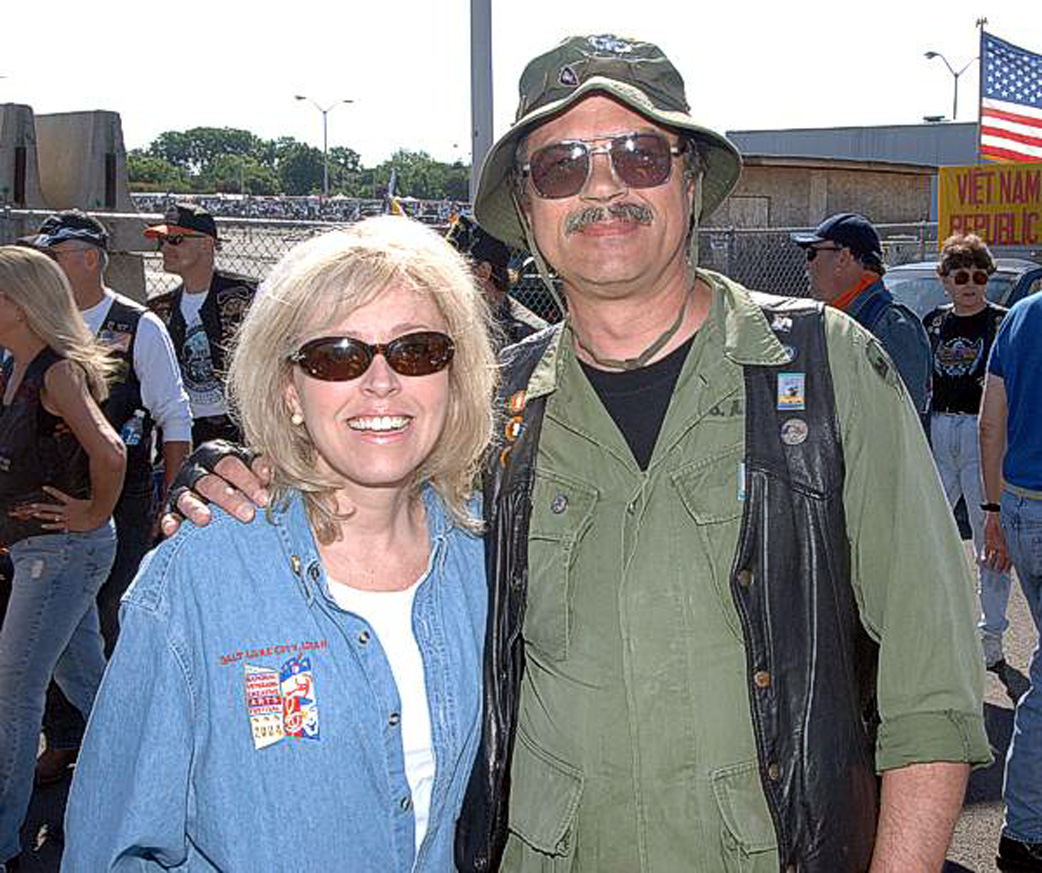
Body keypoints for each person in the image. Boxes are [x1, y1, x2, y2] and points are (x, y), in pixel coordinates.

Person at [167, 35, 989, 873]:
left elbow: (932, 688)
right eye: (562, 167)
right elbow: (360, 494)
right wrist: (242, 471)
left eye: (640, 156)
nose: (603, 187)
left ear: (690, 182)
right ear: (527, 210)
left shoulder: (824, 371)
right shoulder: (487, 409)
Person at [62, 216, 496, 872]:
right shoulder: (198, 576)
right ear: (291, 390)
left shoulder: (492, 558)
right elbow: (111, 847)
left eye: (417, 351)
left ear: (453, 376)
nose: (381, 381)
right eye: (337, 356)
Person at [26, 210, 192, 785]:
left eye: (55, 255)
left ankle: (119, 747)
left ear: (89, 259)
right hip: (50, 495)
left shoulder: (138, 326)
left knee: (108, 617)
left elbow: (173, 417)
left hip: (122, 497)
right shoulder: (38, 325)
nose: (46, 265)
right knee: (55, 625)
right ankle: (67, 739)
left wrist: (169, 501)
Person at [0, 246, 125, 873]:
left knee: (13, 693)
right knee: (87, 683)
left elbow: (111, 452)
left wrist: (93, 514)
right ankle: (150, 767)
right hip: (41, 551)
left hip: (60, 554)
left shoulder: (56, 372)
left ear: (21, 304)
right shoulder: (14, 365)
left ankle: (3, 838)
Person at [923, 233, 1011, 673]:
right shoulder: (934, 323)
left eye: (979, 276)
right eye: (961, 276)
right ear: (945, 279)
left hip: (983, 434)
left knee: (989, 539)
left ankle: (991, 634)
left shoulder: (1002, 322)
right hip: (940, 429)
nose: (970, 284)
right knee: (930, 532)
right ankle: (934, 625)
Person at [979, 290, 1042, 873]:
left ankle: (1025, 828)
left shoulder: (1021, 315)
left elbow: (990, 423)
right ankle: (1025, 830)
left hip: (1020, 505)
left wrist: (994, 510)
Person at [793, 212, 932, 418]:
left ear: (843, 258)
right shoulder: (827, 320)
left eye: (812, 253)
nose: (807, 265)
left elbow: (901, 417)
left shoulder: (891, 326)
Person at [145, 202, 257, 446]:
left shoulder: (250, 297)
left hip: (243, 431)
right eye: (161, 241)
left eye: (175, 240)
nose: (165, 248)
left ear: (206, 244)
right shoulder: (158, 308)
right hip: (182, 431)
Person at [445, 213, 547, 347]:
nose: (446, 278)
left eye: (454, 269)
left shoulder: (531, 338)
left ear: (483, 272)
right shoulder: (454, 320)